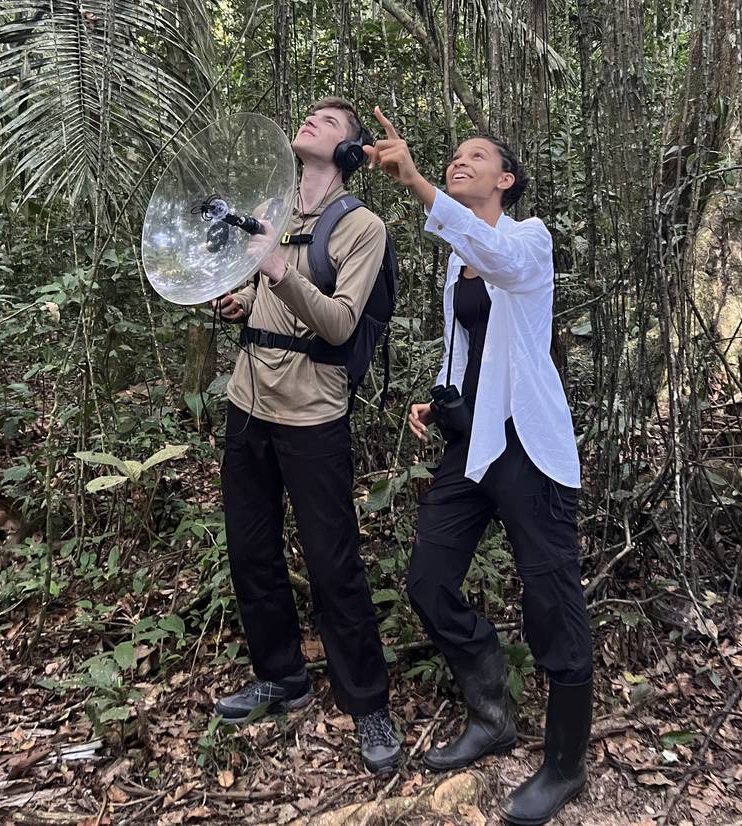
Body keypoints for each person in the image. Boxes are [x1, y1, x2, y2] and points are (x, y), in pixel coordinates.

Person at [363, 107, 593, 824]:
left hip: (525, 441)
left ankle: (564, 764)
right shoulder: (457, 255)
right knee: (428, 581)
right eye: (452, 155)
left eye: (475, 156)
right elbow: (465, 342)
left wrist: (418, 184)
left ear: (506, 178)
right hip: (472, 443)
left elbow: (502, 267)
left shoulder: (525, 238)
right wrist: (442, 397)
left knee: (551, 597)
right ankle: (491, 713)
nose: (460, 161)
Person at [210, 98, 401, 774]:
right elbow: (268, 300)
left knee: (332, 564)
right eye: (310, 115)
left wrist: (275, 271)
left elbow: (341, 323)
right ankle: (280, 676)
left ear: (350, 152)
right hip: (247, 400)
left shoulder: (362, 227)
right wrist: (241, 300)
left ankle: (366, 702)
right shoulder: (276, 212)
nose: (313, 120)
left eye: (330, 121)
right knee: (250, 551)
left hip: (312, 413)